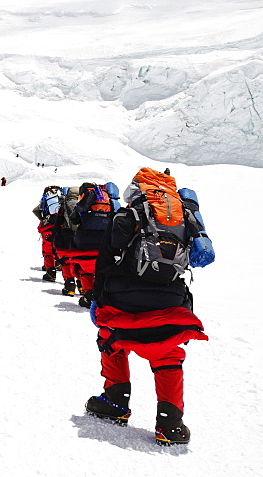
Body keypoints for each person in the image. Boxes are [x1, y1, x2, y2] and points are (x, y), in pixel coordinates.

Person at [84, 168, 208, 446]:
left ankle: (115, 402)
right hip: (171, 300)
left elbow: (105, 264)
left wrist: (98, 301)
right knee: (167, 351)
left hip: (124, 300)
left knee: (111, 339)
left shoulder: (125, 217)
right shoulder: (184, 221)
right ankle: (170, 423)